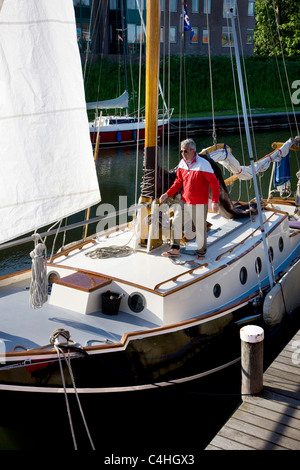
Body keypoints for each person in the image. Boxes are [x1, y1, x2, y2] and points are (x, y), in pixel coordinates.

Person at [159, 138, 219, 260]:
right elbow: (178, 182)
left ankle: (201, 252)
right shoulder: (182, 163)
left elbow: (214, 183)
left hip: (200, 202)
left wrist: (215, 201)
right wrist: (167, 194)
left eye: (185, 151)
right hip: (184, 200)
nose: (183, 154)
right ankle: (175, 248)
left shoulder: (203, 164)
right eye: (182, 151)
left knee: (200, 228)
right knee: (176, 221)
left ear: (193, 150)